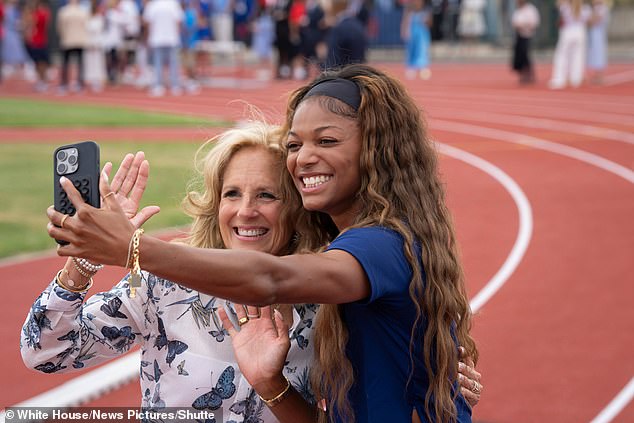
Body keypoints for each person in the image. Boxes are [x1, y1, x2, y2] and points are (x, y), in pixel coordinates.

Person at [48, 64, 481, 422]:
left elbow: (270, 280)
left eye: (326, 140)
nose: (304, 157)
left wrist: (134, 249)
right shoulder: (165, 288)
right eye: (295, 144)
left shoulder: (365, 258)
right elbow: (50, 350)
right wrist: (272, 386)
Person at [23, 124, 330, 421]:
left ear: (297, 209)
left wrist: (273, 387)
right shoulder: (166, 286)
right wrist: (84, 259)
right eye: (232, 194)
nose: (246, 210)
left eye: (267, 195)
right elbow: (47, 351)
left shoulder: (326, 305)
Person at [548, 0, 592, 89]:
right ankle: (576, 78)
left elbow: (559, 6)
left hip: (568, 31)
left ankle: (559, 79)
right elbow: (589, 21)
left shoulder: (566, 7)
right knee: (578, 56)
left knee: (562, 55)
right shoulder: (586, 8)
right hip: (580, 31)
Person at [401, 0, 432, 80]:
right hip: (412, 33)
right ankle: (411, 67)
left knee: (422, 50)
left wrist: (426, 20)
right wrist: (404, 31)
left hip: (422, 34)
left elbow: (430, 23)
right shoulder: (409, 10)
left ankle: (423, 67)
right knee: (411, 50)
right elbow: (405, 22)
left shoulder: (426, 10)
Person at [511, 0, 540, 84]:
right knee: (519, 55)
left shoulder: (531, 10)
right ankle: (521, 73)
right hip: (519, 35)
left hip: (527, 35)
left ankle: (528, 73)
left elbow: (534, 23)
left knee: (525, 54)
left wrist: (524, 25)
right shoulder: (518, 10)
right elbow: (514, 22)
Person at [587, 0, 610, 84]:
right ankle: (597, 74)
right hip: (593, 35)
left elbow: (595, 20)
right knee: (594, 54)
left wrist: (592, 17)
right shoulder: (594, 9)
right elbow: (589, 22)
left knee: (599, 54)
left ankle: (600, 75)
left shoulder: (603, 8)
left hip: (600, 35)